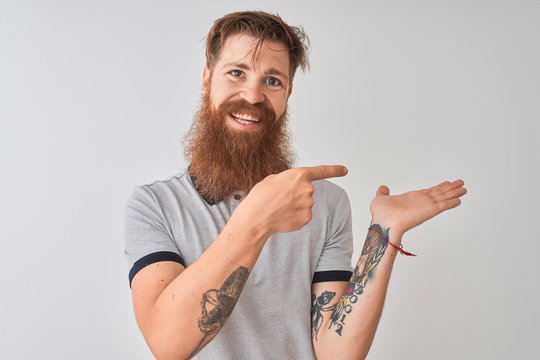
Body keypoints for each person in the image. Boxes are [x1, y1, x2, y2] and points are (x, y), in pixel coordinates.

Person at [124, 11, 466, 360]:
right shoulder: (155, 205)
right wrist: (257, 217)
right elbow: (168, 345)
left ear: (288, 92)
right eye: (236, 73)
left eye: (272, 81)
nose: (253, 95)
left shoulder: (326, 203)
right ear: (207, 79)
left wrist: (384, 233)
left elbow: (338, 353)